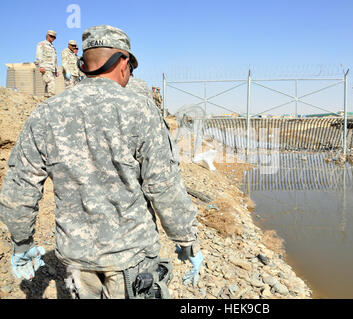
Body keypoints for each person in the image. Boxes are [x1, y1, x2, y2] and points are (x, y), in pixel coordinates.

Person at [0, 24, 203, 299]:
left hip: (76, 262)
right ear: (123, 63)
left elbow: (20, 188)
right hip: (130, 261)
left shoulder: (47, 113)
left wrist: (22, 243)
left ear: (84, 64)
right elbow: (164, 185)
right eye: (131, 68)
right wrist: (186, 240)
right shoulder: (140, 110)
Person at [35, 30, 58, 97]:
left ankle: (46, 99)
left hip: (52, 69)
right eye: (51, 36)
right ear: (47, 35)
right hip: (45, 67)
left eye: (54, 37)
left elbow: (55, 60)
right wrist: (40, 66)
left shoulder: (53, 47)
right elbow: (38, 55)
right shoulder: (41, 44)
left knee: (47, 85)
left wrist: (56, 70)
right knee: (51, 83)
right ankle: (52, 98)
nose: (52, 38)